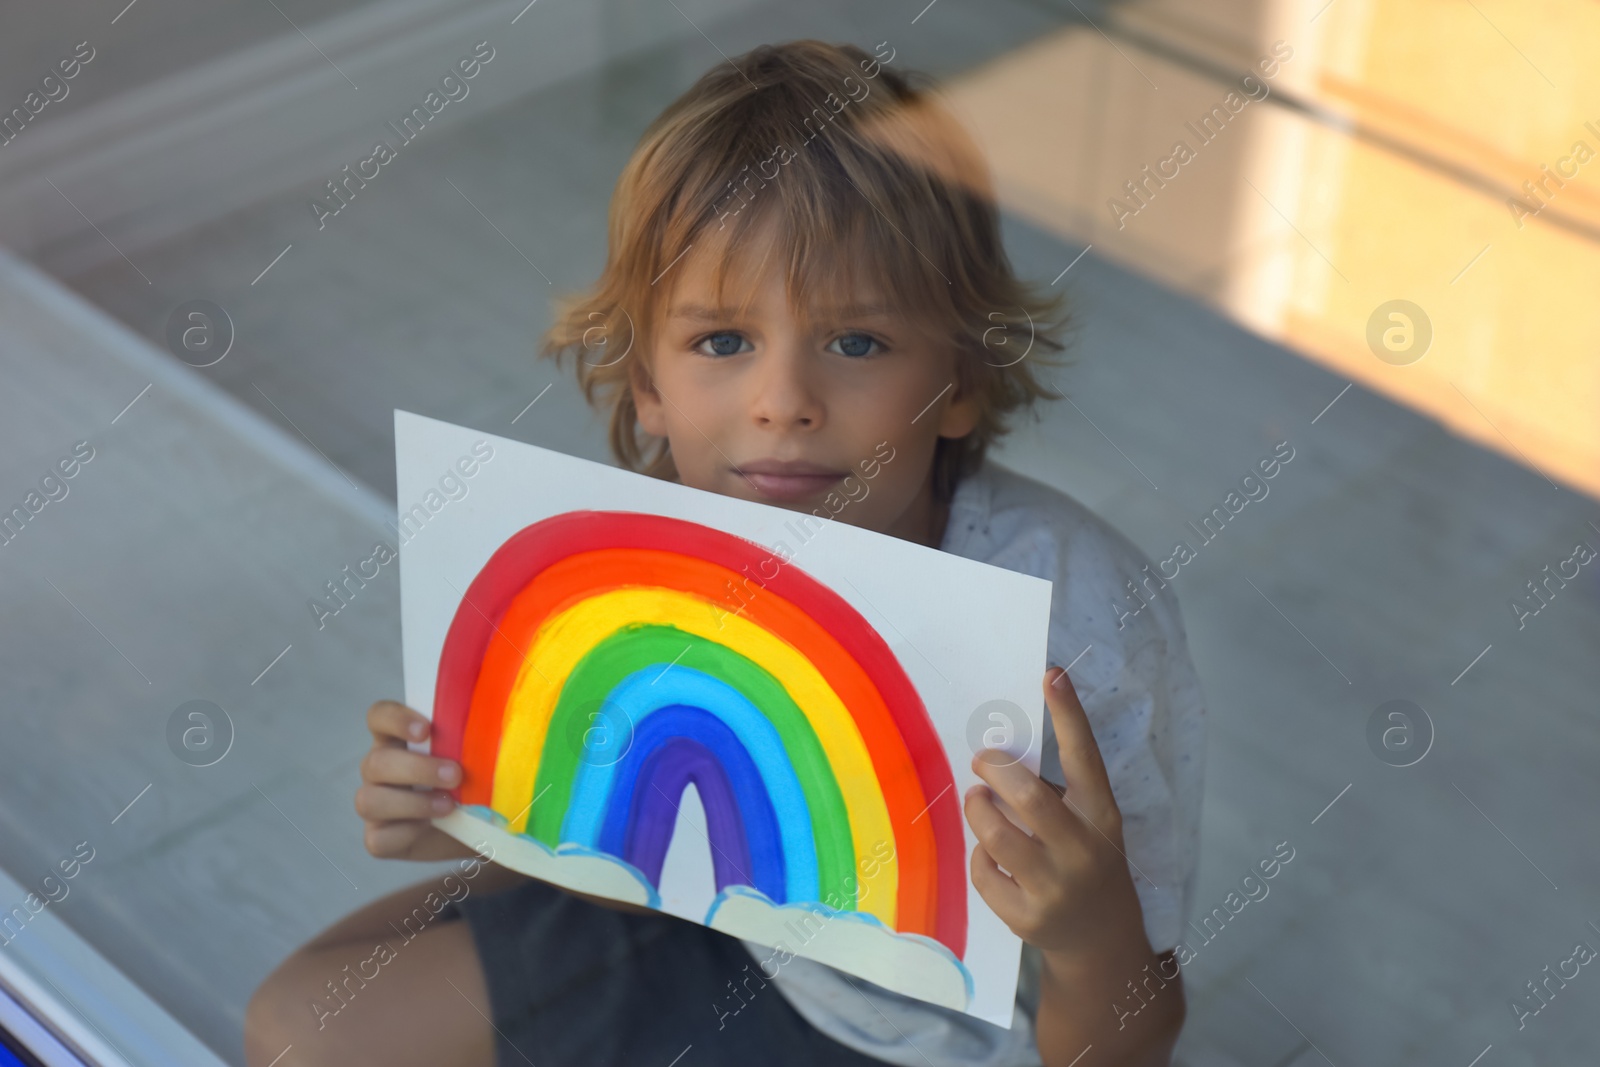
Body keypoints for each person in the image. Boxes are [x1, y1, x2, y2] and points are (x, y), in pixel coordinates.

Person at [245, 38, 1204, 1067]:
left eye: (856, 342)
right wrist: (477, 814)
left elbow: (1125, 1043)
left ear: (960, 378)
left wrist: (1090, 929)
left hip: (927, 1043)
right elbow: (655, 829)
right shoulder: (664, 539)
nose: (780, 402)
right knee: (298, 1027)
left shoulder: (1082, 624)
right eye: (721, 341)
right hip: (707, 931)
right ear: (648, 381)